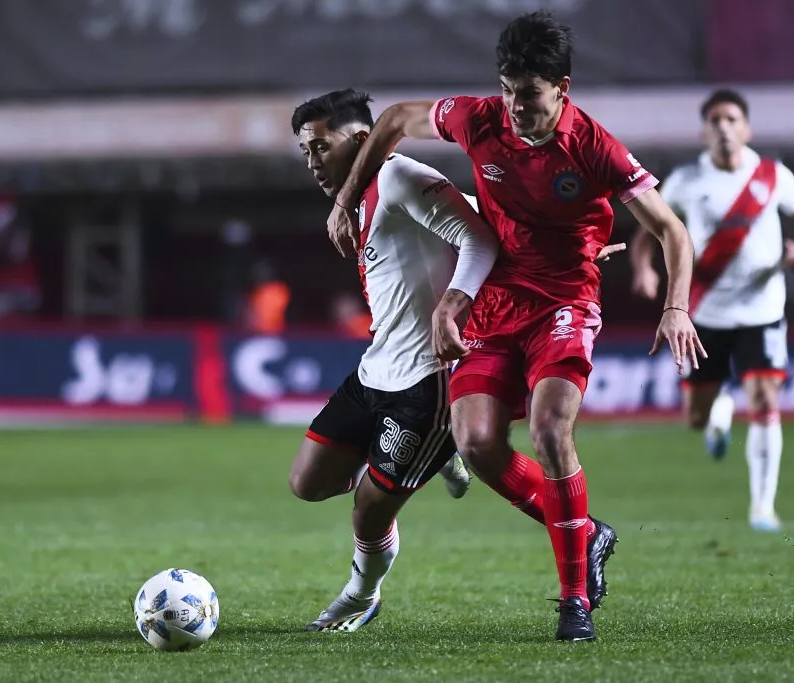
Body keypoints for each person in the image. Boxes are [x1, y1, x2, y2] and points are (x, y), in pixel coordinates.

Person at [326, 12, 704, 642]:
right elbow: (393, 120)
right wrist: (346, 200)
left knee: (553, 429)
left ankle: (573, 599)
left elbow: (671, 231)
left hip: (565, 301)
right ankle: (590, 534)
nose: (514, 107)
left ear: (563, 88)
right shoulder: (478, 119)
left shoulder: (596, 148)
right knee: (474, 442)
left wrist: (676, 306)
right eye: (507, 89)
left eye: (528, 95)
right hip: (498, 302)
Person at [287, 89, 495, 632]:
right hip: (375, 369)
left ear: (361, 139)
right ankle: (435, 459)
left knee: (369, 507)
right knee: (306, 483)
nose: (313, 163)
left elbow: (481, 240)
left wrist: (453, 306)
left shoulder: (400, 176)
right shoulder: (358, 195)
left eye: (320, 147)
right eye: (305, 152)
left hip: (427, 382)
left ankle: (361, 595)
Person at [629, 88, 794, 532]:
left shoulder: (774, 176)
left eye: (732, 119)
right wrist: (643, 267)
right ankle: (717, 417)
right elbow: (649, 231)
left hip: (763, 309)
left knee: (765, 399)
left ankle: (762, 508)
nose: (724, 127)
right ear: (704, 131)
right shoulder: (685, 181)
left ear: (746, 128)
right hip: (703, 314)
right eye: (715, 120)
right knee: (697, 418)